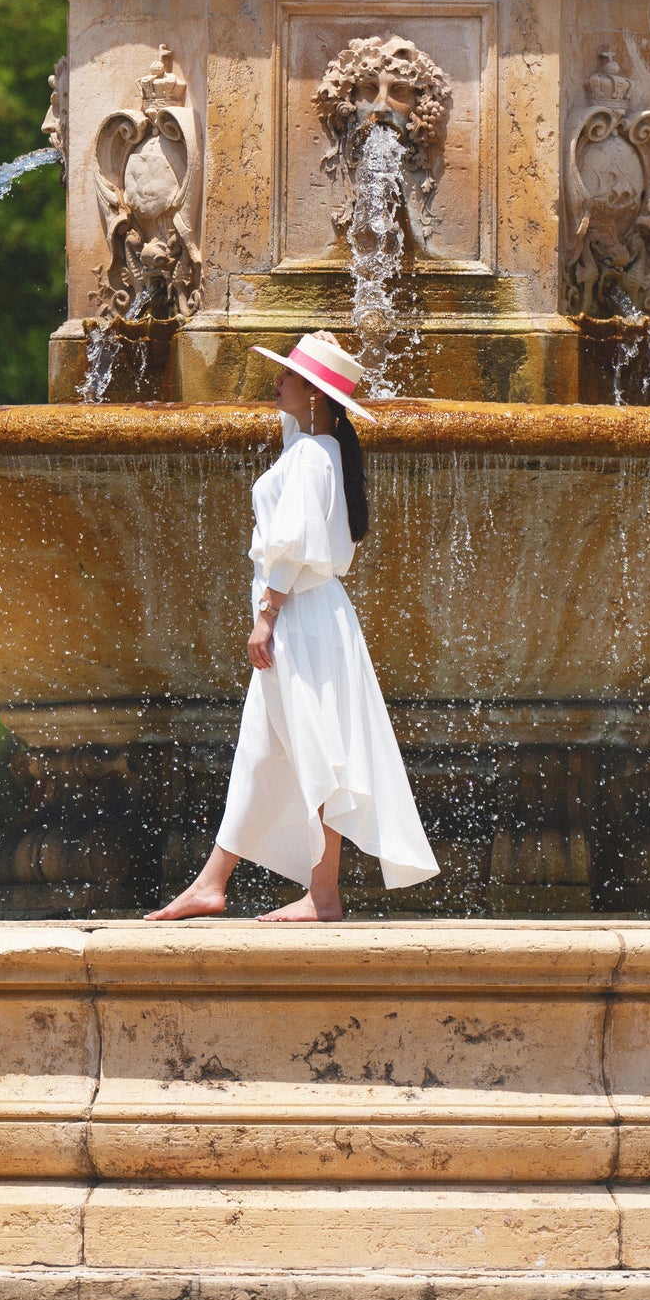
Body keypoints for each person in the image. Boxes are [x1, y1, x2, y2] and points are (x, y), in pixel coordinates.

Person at [148, 330, 440, 922]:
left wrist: (267, 616)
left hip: (299, 618)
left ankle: (321, 895)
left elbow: (293, 542)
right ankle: (214, 882)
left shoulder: (312, 456)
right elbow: (298, 508)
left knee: (315, 751)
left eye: (289, 376)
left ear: (314, 394)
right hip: (315, 616)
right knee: (265, 751)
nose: (276, 382)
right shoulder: (321, 448)